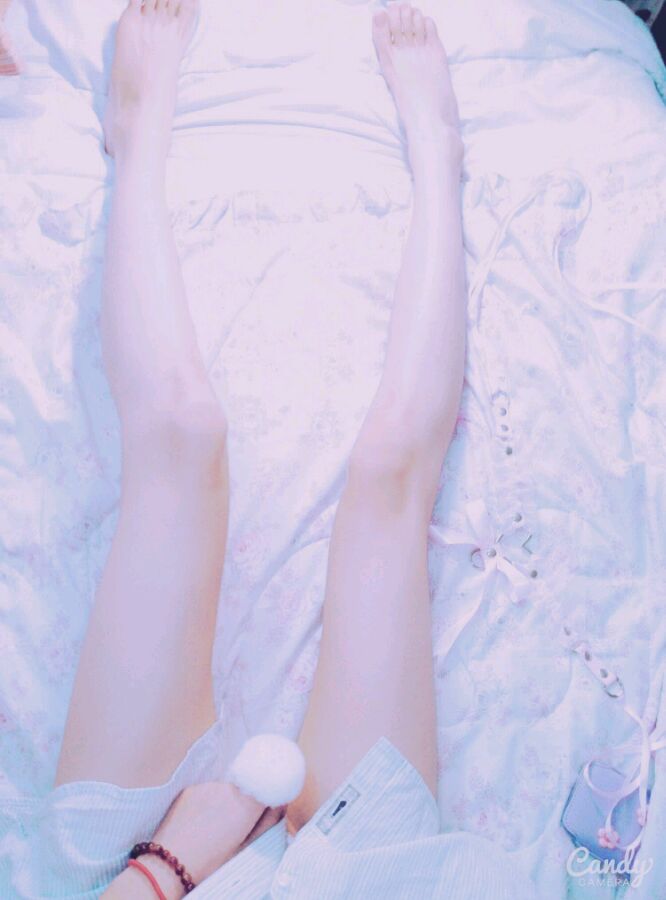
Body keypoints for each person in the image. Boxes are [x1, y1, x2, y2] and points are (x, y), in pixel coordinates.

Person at [4, 2, 532, 897]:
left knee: (180, 439)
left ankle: (138, 136)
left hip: (113, 880)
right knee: (390, 477)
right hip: (359, 882)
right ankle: (438, 154)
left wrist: (164, 869)